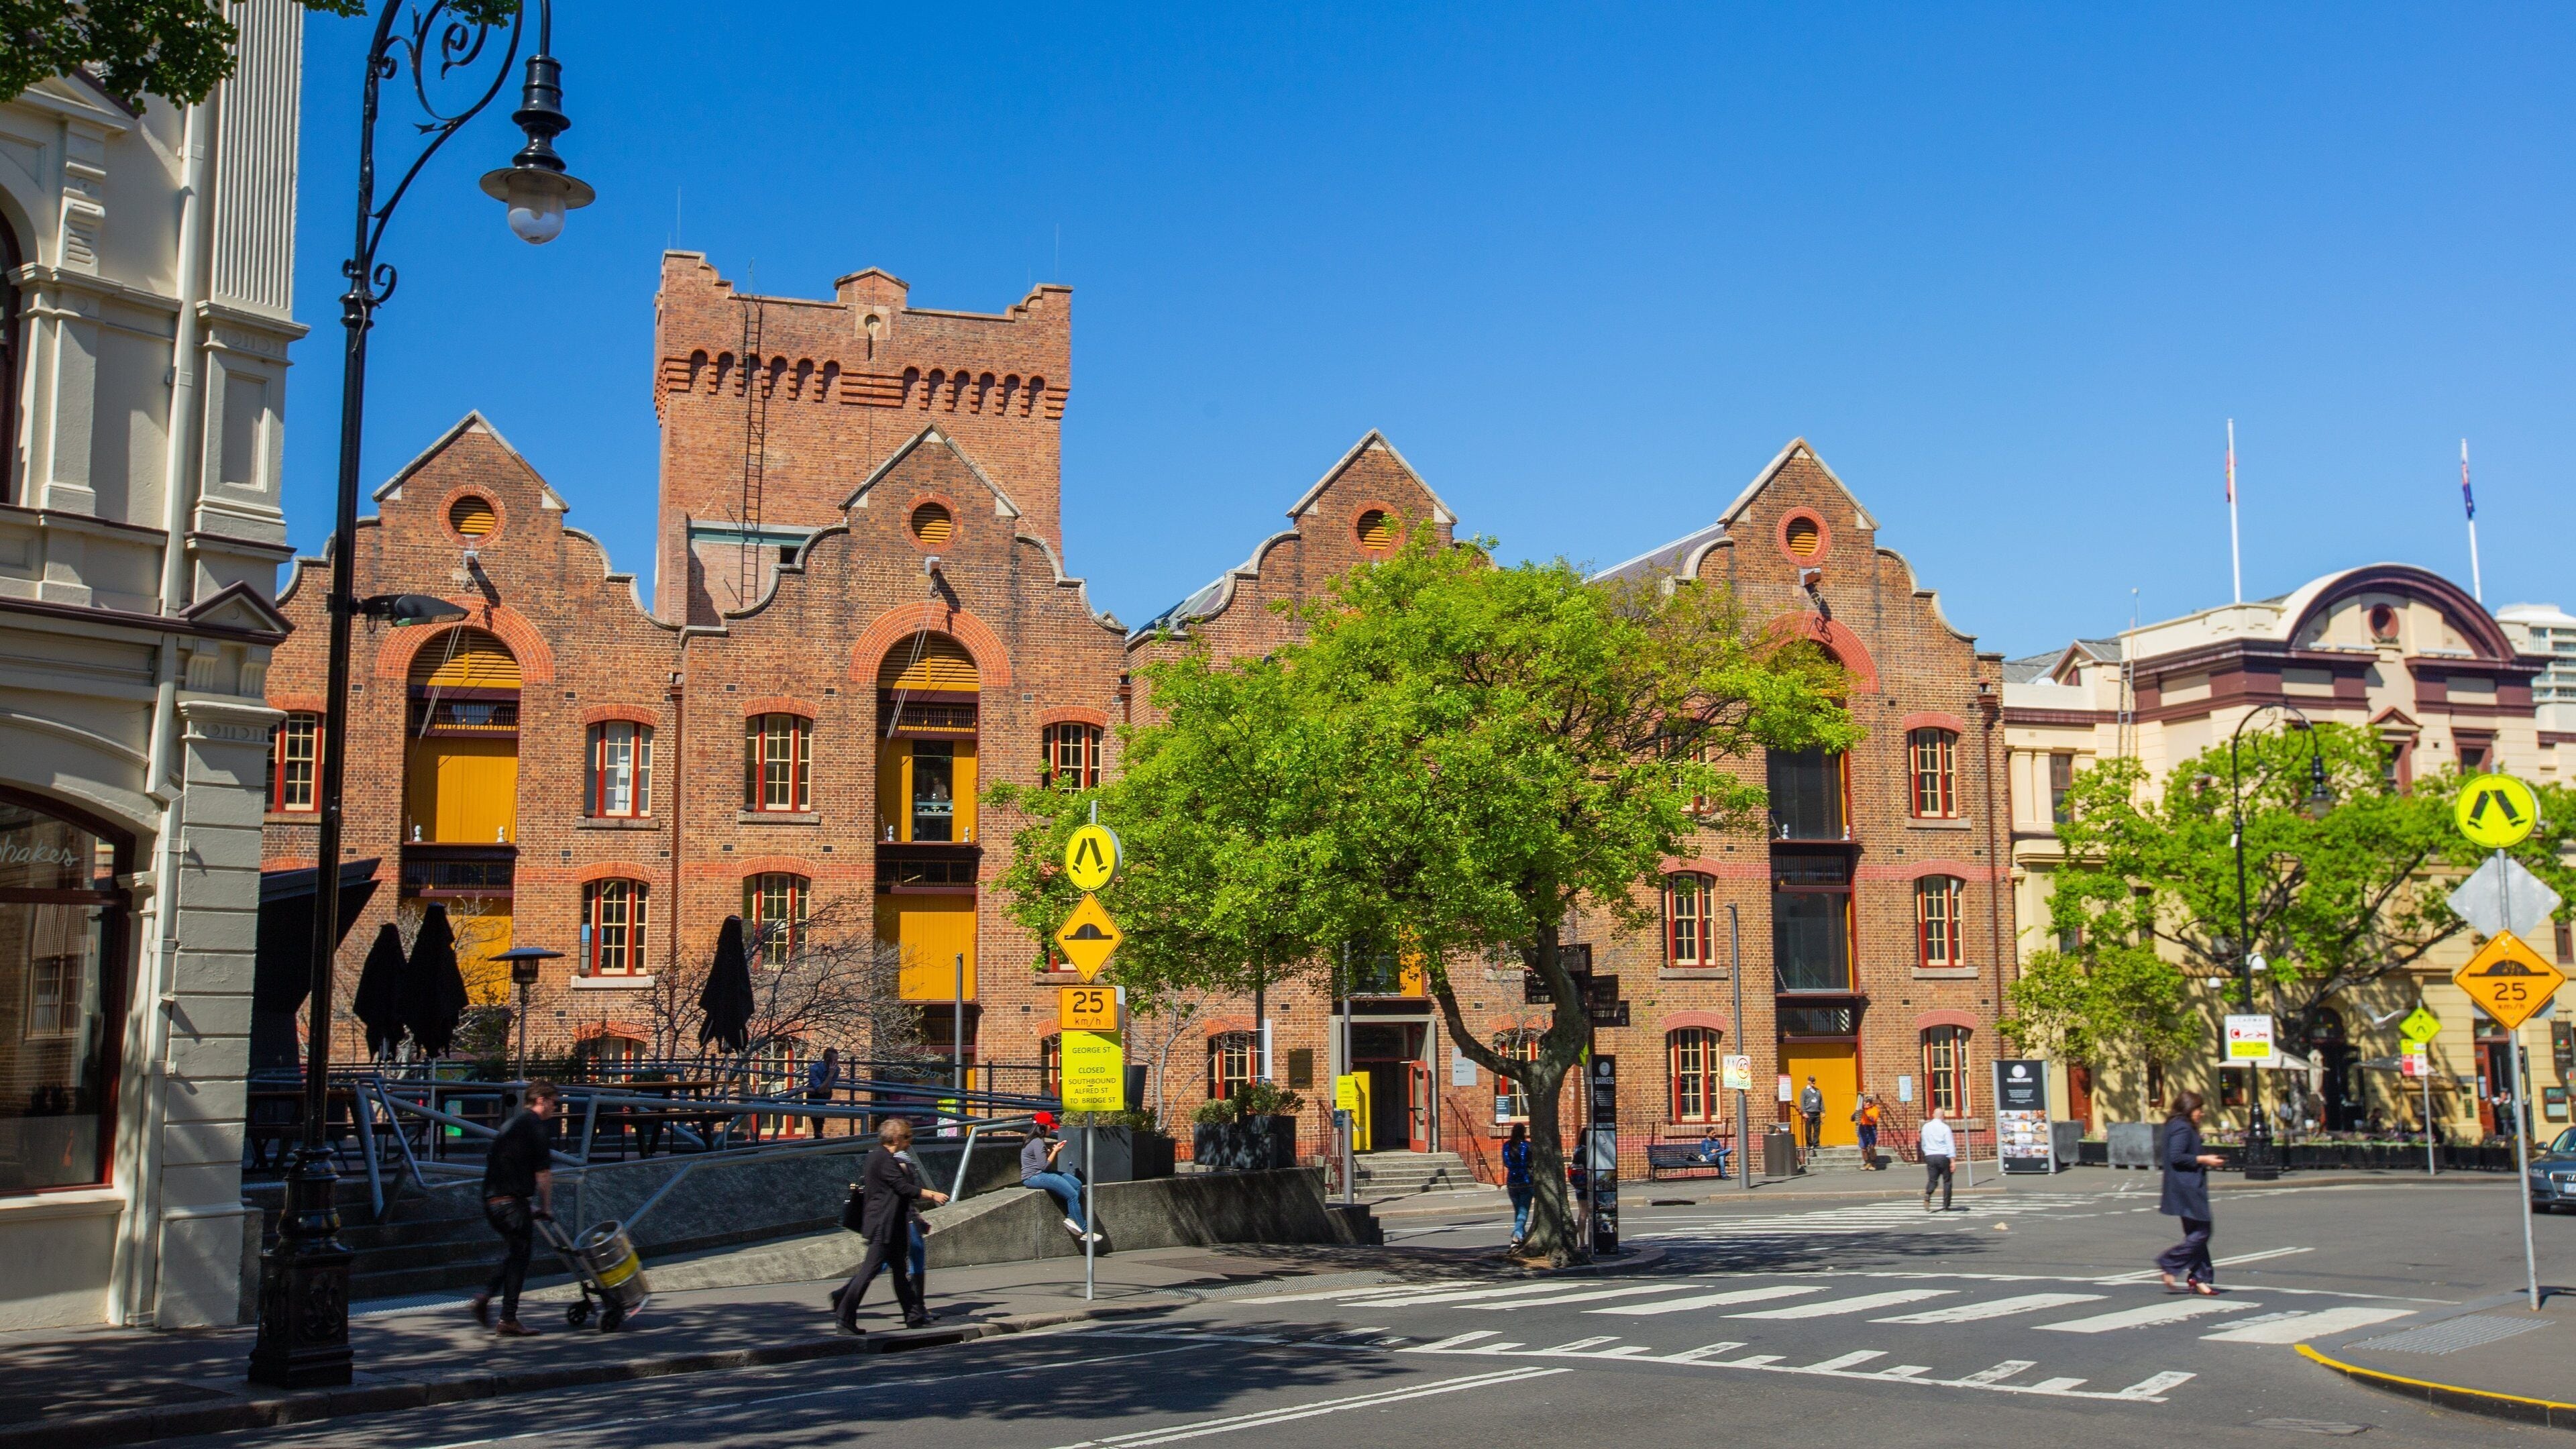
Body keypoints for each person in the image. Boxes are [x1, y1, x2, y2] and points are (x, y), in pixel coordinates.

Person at [835, 1117, 947, 1333]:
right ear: (896, 1138)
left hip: (893, 1226)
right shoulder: (882, 1158)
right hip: (882, 1226)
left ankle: (913, 1315)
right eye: (907, 1137)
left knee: (900, 1272)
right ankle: (844, 1318)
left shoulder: (883, 1157)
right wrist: (932, 1194)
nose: (909, 1142)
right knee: (868, 1272)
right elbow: (902, 1187)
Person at [470, 1081, 560, 1336]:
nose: (556, 1106)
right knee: (520, 1257)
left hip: (494, 1200)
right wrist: (545, 1207)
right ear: (541, 1099)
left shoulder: (511, 1125)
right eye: (554, 1101)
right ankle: (507, 1318)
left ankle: (486, 1298)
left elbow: (503, 1164)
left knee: (515, 1253)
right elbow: (543, 1173)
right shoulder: (537, 1128)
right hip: (512, 1203)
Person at [2155, 1091, 2225, 1295]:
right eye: (2198, 1109)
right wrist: (2204, 1160)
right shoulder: (2183, 1128)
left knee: (2195, 1233)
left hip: (2181, 1187)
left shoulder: (2174, 1125)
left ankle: (2199, 1278)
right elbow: (2177, 1156)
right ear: (2188, 1109)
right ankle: (2170, 1262)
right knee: (2203, 1231)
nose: (2201, 1114)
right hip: (2187, 1188)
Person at [1020, 1111, 1098, 1242]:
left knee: (1076, 1184)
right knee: (1072, 1195)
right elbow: (1044, 1167)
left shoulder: (1035, 1141)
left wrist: (1051, 1152)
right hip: (1033, 1177)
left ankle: (1071, 1218)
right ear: (1043, 1127)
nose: (1052, 1129)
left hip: (1040, 1174)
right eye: (1050, 1126)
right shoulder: (1037, 1142)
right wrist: (1055, 1152)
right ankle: (1085, 1231)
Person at [1501, 1123, 1534, 1248]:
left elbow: (1506, 1163)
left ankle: (1522, 1235)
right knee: (1523, 1211)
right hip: (1525, 1181)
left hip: (1511, 1182)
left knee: (1518, 1211)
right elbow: (1532, 1162)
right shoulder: (1527, 1146)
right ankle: (1517, 1236)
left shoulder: (1506, 1146)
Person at [1919, 1105, 1956, 1212]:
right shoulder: (1945, 1128)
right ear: (1943, 1116)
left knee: (1933, 1179)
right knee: (1947, 1181)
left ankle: (1928, 1193)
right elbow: (1950, 1144)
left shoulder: (1926, 1127)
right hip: (1943, 1156)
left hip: (1930, 1155)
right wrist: (1952, 1160)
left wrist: (1926, 1153)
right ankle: (1946, 1205)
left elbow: (1923, 1142)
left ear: (1933, 1115)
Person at [807, 1046, 840, 1140]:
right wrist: (818, 1089)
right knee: (815, 1110)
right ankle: (818, 1132)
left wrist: (830, 1074)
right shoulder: (815, 1069)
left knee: (821, 1108)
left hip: (824, 1094)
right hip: (814, 1096)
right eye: (835, 1060)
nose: (837, 1062)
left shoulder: (836, 1070)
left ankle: (818, 1132)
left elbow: (826, 1089)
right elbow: (820, 1089)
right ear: (828, 1060)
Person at [1854, 1093, 1883, 1169]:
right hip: (1863, 1128)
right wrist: (1855, 1114)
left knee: (1872, 1147)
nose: (1868, 1103)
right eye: (1867, 1102)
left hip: (1871, 1128)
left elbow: (1873, 1119)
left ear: (1872, 1103)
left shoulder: (1875, 1109)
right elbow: (1853, 1119)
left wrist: (1865, 1114)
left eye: (1870, 1102)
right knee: (1863, 1147)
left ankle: (1873, 1163)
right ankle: (1867, 1163)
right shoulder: (1861, 1109)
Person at [1798, 1077, 1824, 1154]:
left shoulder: (1818, 1091)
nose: (1813, 1082)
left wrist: (1823, 1111)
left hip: (1817, 1113)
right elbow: (1802, 1102)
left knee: (1817, 1129)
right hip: (1809, 1113)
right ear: (1808, 1081)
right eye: (1812, 1081)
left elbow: (1821, 1102)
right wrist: (1804, 1112)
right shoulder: (1804, 1091)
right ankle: (1809, 1144)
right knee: (1808, 1130)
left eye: (1814, 1081)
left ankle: (1816, 1144)